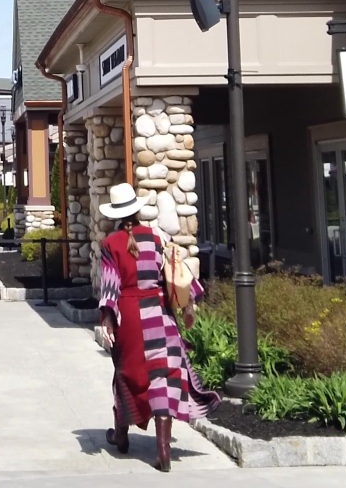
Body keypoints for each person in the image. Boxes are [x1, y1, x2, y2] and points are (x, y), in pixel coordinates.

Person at [96, 183, 220, 473]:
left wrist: (107, 318)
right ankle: (163, 449)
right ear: (138, 211)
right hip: (160, 314)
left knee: (126, 373)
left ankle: (122, 436)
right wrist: (189, 306)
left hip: (129, 317)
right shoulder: (157, 236)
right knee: (165, 374)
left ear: (114, 214)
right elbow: (178, 272)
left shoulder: (110, 244)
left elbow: (111, 287)